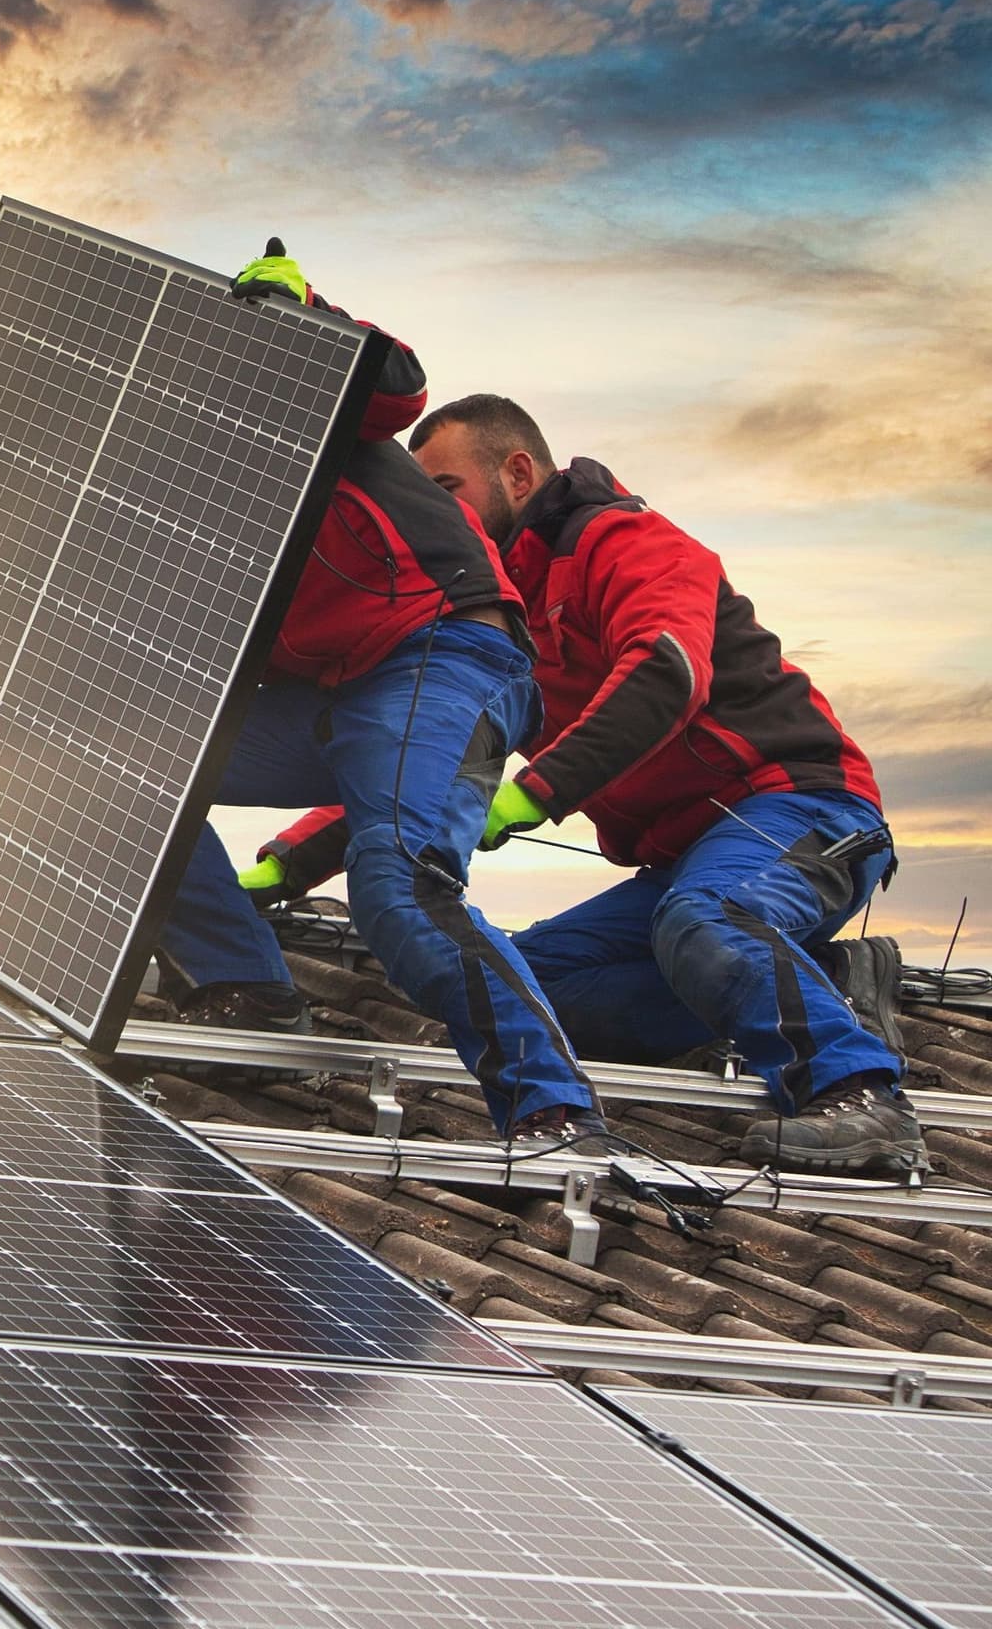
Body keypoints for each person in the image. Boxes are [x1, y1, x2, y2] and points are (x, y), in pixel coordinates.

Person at [391, 393, 917, 1176]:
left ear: (519, 472)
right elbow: (413, 759)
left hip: (799, 804)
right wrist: (288, 863)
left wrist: (538, 790)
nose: (435, 517)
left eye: (446, 490)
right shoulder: (501, 619)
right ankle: (833, 980)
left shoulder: (629, 539)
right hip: (685, 859)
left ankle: (857, 1094)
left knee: (707, 916)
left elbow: (668, 671)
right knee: (534, 980)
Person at [157, 247, 603, 1145]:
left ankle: (556, 1113)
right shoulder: (160, 503)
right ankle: (246, 987)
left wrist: (305, 318)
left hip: (443, 650)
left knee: (398, 887)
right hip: (333, 693)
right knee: (112, 763)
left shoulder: (273, 397)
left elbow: (396, 385)